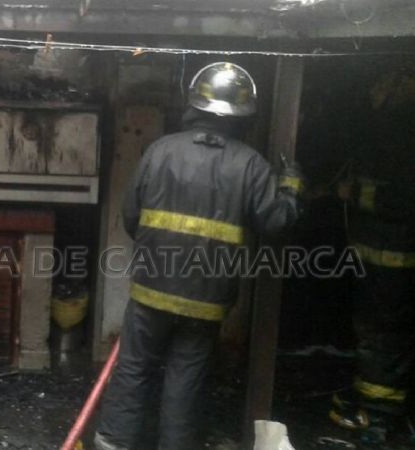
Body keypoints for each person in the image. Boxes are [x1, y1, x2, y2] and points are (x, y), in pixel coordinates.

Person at [94, 62, 304, 450]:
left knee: (134, 368)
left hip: (152, 289)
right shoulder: (252, 165)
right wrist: (290, 188)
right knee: (185, 378)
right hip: (206, 300)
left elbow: (131, 216)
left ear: (195, 105)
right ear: (243, 117)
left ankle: (113, 444)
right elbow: (274, 223)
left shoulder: (160, 150)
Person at [329, 70, 415, 445]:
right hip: (381, 256)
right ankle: (372, 404)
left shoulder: (405, 138)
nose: (373, 91)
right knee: (374, 332)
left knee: (383, 335)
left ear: (397, 95)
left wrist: (355, 195)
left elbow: (404, 198)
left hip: (393, 259)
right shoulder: (395, 135)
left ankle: (378, 415)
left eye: (380, 85)